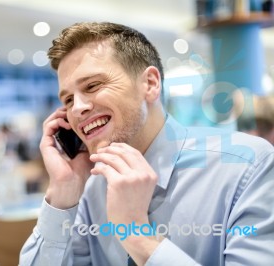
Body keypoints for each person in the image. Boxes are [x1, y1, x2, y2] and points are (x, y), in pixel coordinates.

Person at [20, 22, 274, 265]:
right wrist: (64, 191)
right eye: (68, 100)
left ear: (150, 84)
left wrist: (137, 235)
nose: (78, 109)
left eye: (93, 85)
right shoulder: (92, 187)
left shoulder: (247, 166)